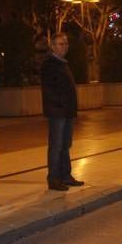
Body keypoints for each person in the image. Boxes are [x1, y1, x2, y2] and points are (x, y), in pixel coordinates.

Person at [41, 33, 83, 191]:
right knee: (57, 145)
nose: (64, 47)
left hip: (66, 112)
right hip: (57, 112)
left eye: (65, 44)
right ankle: (53, 179)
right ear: (52, 46)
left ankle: (66, 176)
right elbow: (51, 90)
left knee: (65, 145)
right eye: (60, 44)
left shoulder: (63, 63)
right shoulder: (50, 64)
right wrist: (61, 106)